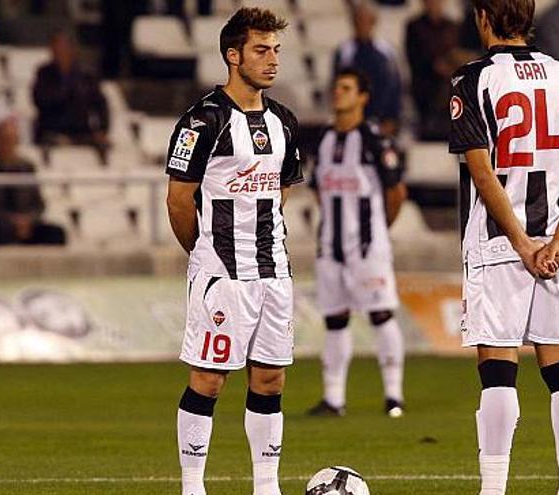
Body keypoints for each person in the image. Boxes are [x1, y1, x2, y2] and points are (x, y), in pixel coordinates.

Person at [448, 1, 559, 494]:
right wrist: (555, 244)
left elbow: (482, 171)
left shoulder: (472, 79)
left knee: (497, 370)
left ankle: (493, 489)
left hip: (499, 244)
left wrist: (520, 242)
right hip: (555, 247)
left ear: (483, 18)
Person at [164, 8, 303, 495]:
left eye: (276, 51)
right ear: (233, 55)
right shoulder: (202, 121)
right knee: (209, 379)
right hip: (222, 272)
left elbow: (281, 192)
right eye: (261, 50)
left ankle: (267, 486)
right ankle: (193, 486)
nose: (271, 61)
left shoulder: (284, 121)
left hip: (275, 273)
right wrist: (204, 251)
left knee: (270, 381)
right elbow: (179, 201)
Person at [306, 69, 407, 418]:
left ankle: (394, 395)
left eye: (346, 88)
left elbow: (396, 192)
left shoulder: (374, 139)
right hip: (329, 247)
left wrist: (378, 229)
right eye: (336, 87)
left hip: (368, 247)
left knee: (380, 314)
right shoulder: (323, 138)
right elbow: (319, 189)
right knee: (334, 319)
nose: (338, 94)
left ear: (363, 96)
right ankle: (334, 398)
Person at [0, 109, 65, 246]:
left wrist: (28, 220)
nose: (8, 143)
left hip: (25, 222)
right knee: (1, 230)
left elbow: (38, 204)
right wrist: (10, 220)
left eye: (11, 139)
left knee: (56, 233)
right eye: (4, 139)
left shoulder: (27, 166)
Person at [333, 1, 402, 136]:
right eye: (359, 21)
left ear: (374, 22)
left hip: (381, 120)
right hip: (352, 121)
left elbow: (395, 87)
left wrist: (392, 118)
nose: (362, 25)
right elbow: (339, 86)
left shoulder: (386, 52)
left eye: (367, 21)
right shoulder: (344, 52)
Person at [33, 31, 110, 148]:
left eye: (63, 47)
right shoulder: (44, 74)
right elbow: (41, 101)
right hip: (52, 130)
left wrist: (102, 130)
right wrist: (65, 85)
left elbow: (100, 104)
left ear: (72, 49)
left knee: (102, 144)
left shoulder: (86, 75)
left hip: (80, 131)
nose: (59, 52)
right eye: (56, 48)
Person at [405, 0, 465, 141]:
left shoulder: (453, 26)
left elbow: (457, 52)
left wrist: (450, 66)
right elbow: (413, 56)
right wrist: (434, 66)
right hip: (425, 82)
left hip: (450, 80)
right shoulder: (414, 27)